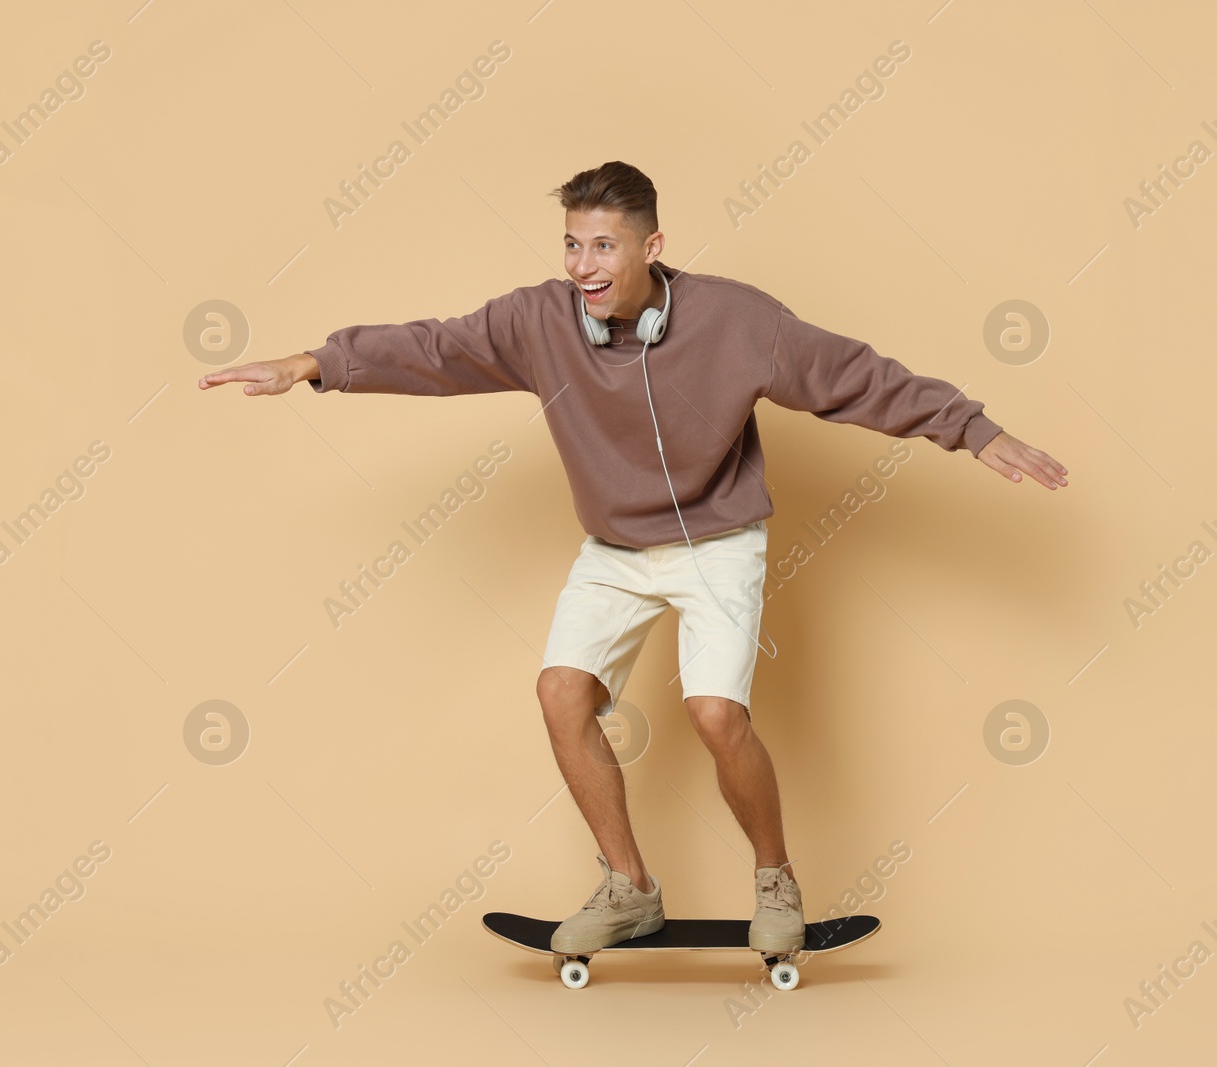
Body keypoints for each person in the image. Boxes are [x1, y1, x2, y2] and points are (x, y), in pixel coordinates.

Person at [197, 160, 1068, 957]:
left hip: (717, 542)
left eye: (603, 245)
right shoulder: (538, 321)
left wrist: (972, 429)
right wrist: (314, 363)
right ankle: (630, 887)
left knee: (717, 714)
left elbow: (856, 375)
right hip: (613, 549)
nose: (582, 264)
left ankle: (776, 879)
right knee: (559, 691)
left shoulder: (736, 319)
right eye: (572, 244)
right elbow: (435, 347)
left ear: (652, 247)